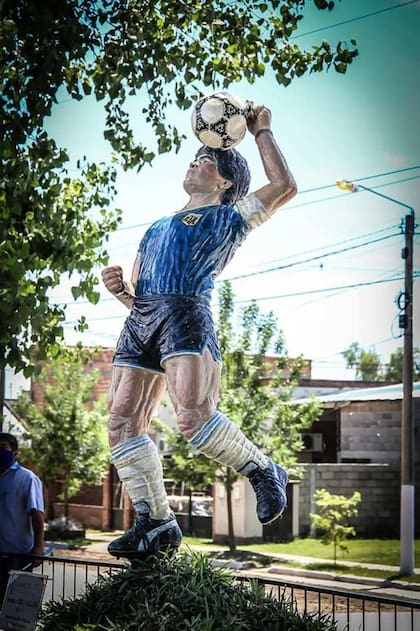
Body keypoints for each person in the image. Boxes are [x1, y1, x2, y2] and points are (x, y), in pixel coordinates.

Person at [101, 104, 297, 560]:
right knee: (121, 423)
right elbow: (140, 292)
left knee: (192, 417)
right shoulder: (154, 230)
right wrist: (121, 293)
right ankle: (156, 521)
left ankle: (265, 470)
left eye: (205, 160)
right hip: (143, 319)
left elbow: (285, 186)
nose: (194, 161)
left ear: (224, 181)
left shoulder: (229, 218)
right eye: (193, 157)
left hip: (186, 313)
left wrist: (262, 129)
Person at [0, 432, 45, 606]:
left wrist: (38, 547)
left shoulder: (27, 478)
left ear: (15, 452)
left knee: (14, 606)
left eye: (3, 448)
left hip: (17, 556)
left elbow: (37, 514)